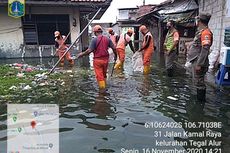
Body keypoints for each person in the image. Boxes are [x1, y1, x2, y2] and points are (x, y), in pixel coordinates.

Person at [76, 25, 117, 90]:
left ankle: (102, 91)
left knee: (99, 76)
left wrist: (81, 54)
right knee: (104, 74)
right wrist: (116, 56)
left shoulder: (94, 40)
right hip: (106, 60)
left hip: (98, 61)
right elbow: (114, 48)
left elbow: (89, 50)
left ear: (95, 32)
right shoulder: (107, 39)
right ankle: (105, 85)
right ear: (101, 31)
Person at [187, 13, 213, 102]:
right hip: (196, 60)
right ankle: (199, 99)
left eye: (197, 20)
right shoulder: (201, 31)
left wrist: (199, 64)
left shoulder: (206, 33)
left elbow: (205, 49)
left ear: (199, 21)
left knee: (199, 82)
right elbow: (199, 44)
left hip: (199, 61)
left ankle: (201, 102)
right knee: (198, 81)